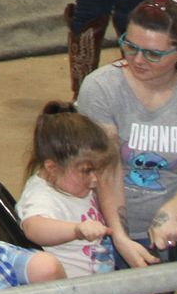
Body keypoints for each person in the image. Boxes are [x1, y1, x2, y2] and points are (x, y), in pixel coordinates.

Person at [77, 0, 177, 267]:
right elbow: (107, 168)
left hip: (165, 231)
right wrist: (118, 235)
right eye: (130, 46)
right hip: (98, 229)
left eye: (154, 54)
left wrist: (171, 211)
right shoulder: (101, 89)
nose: (138, 60)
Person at [13, 102, 117, 276]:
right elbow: (33, 227)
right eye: (86, 171)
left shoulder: (72, 184)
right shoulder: (42, 196)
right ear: (52, 168)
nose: (95, 179)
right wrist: (76, 230)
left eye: (98, 170)